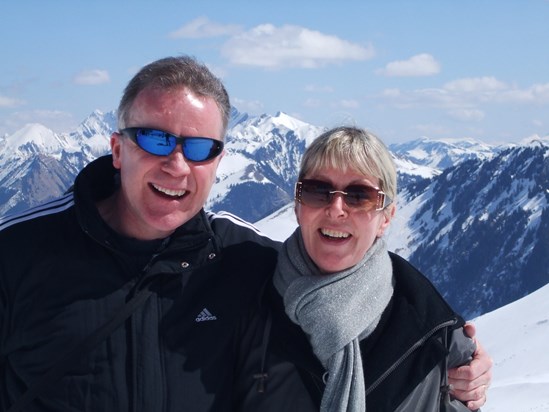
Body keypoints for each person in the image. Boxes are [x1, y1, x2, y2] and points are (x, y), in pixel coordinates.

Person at [0, 56, 490, 411]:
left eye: (198, 147)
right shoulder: (19, 252)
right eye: (155, 138)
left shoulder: (244, 260)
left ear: (218, 160)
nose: (176, 164)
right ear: (117, 148)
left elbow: (346, 283)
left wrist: (453, 352)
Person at [236, 126, 491, 411]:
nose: (336, 209)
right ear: (297, 206)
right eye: (318, 191)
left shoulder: (434, 335)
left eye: (359, 196)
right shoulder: (244, 298)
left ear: (386, 218)